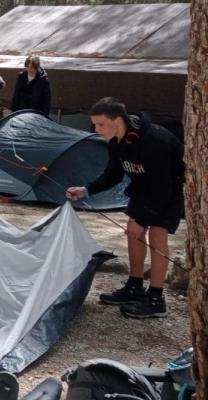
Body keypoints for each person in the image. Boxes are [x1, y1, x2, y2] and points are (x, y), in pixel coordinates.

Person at [66, 98, 184, 319]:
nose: (96, 129)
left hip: (168, 190)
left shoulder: (153, 140)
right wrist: (87, 189)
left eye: (100, 124)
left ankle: (157, 298)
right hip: (143, 188)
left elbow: (163, 185)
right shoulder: (116, 142)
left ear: (117, 120)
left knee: (158, 235)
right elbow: (114, 174)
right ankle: (135, 286)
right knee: (133, 232)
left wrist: (144, 219)